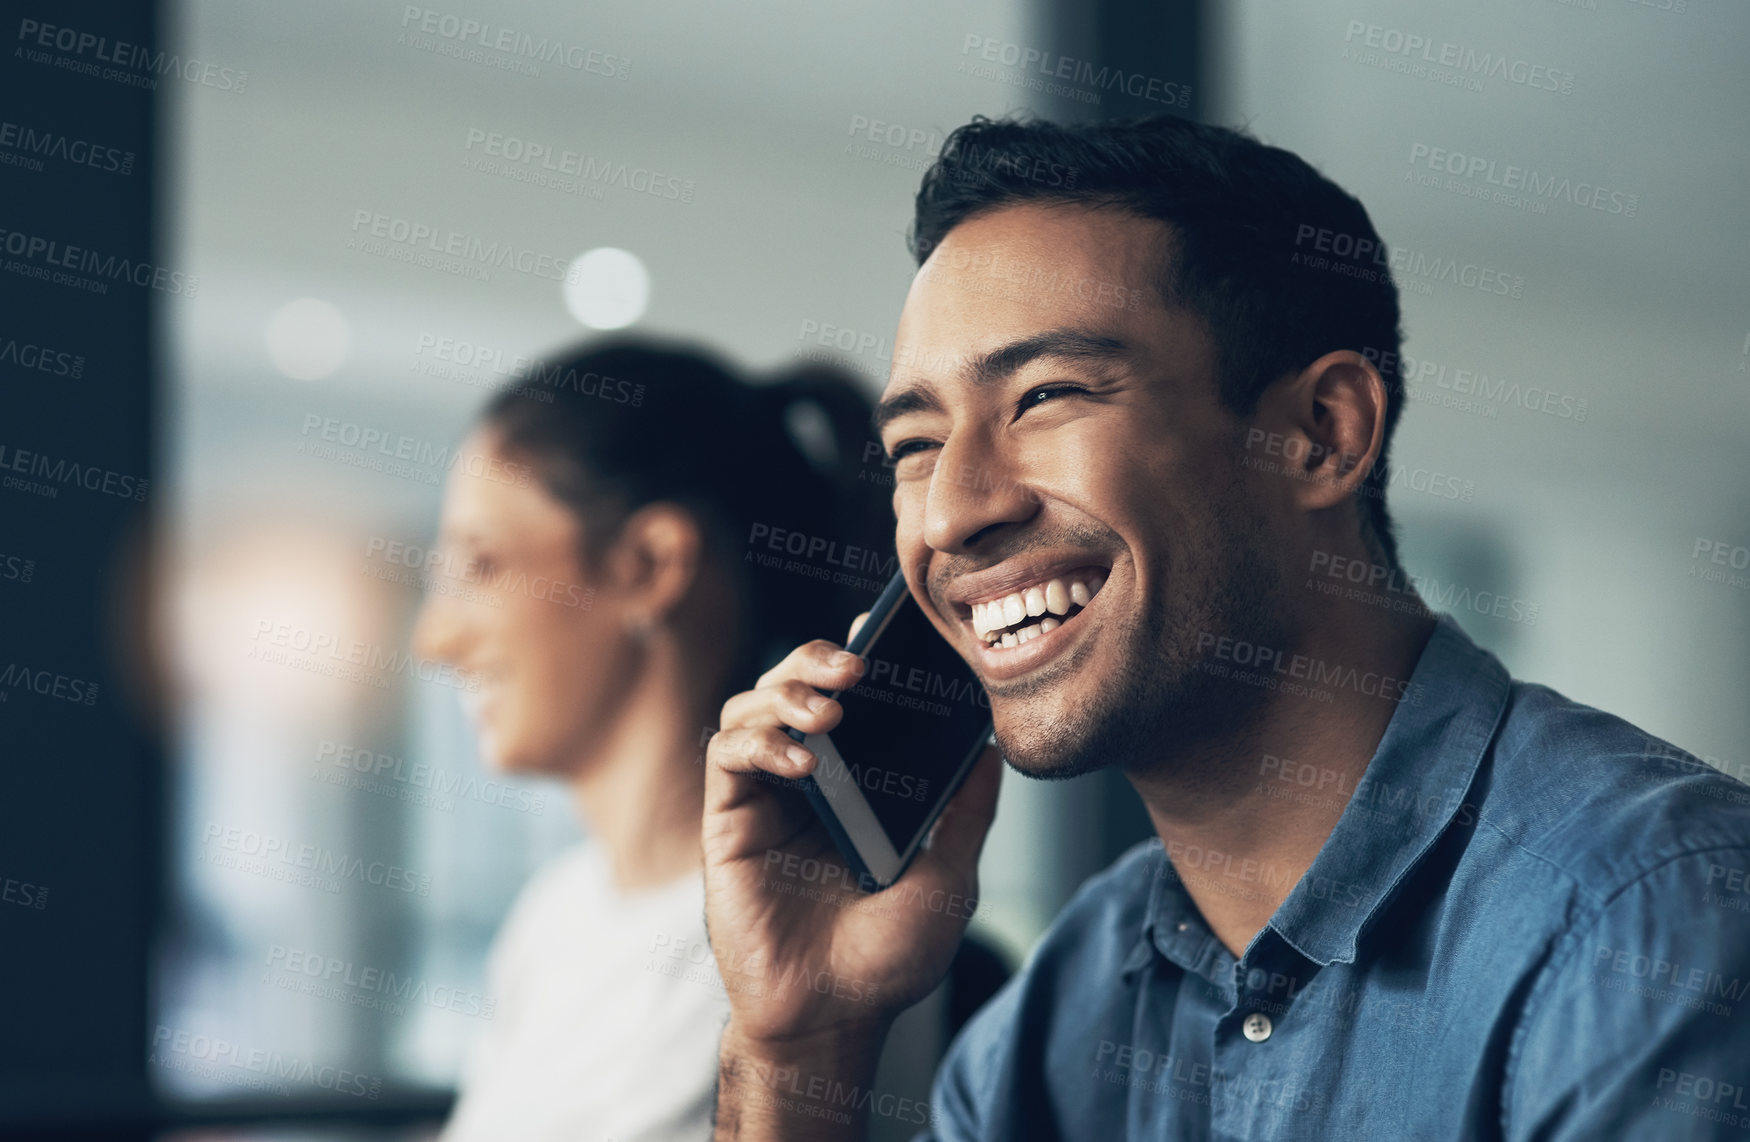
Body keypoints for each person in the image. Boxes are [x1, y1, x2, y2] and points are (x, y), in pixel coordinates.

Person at [702, 113, 1750, 1140]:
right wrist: (800, 1047)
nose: (952, 510)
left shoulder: (1649, 918)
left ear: (1318, 432)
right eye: (916, 445)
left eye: (1046, 395)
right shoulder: (1056, 1016)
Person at [412, 340, 884, 1141]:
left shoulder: (805, 946)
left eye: (481, 565)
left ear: (650, 563)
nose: (433, 637)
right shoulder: (553, 916)